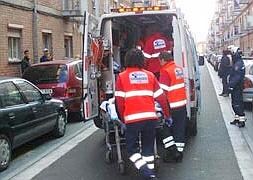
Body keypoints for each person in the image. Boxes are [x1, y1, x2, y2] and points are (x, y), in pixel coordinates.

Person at [115, 48, 170, 180]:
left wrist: (123, 119)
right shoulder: (150, 75)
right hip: (151, 118)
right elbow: (161, 98)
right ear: (142, 60)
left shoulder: (122, 77)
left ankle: (147, 173)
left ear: (127, 60)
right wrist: (167, 115)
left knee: (131, 150)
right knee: (148, 150)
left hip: (133, 120)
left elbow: (120, 102)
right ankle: (150, 174)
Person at [158, 51, 187, 162]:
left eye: (159, 61)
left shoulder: (165, 71)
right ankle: (179, 153)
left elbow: (162, 92)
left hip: (172, 105)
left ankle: (172, 151)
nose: (159, 63)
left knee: (164, 128)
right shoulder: (178, 68)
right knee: (179, 128)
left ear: (163, 60)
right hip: (181, 103)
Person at [229, 47, 246, 128]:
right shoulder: (237, 62)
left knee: (238, 103)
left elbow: (237, 76)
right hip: (236, 87)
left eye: (232, 53)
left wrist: (231, 85)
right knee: (234, 103)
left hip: (237, 87)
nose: (231, 55)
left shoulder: (238, 64)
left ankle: (242, 121)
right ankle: (237, 118)